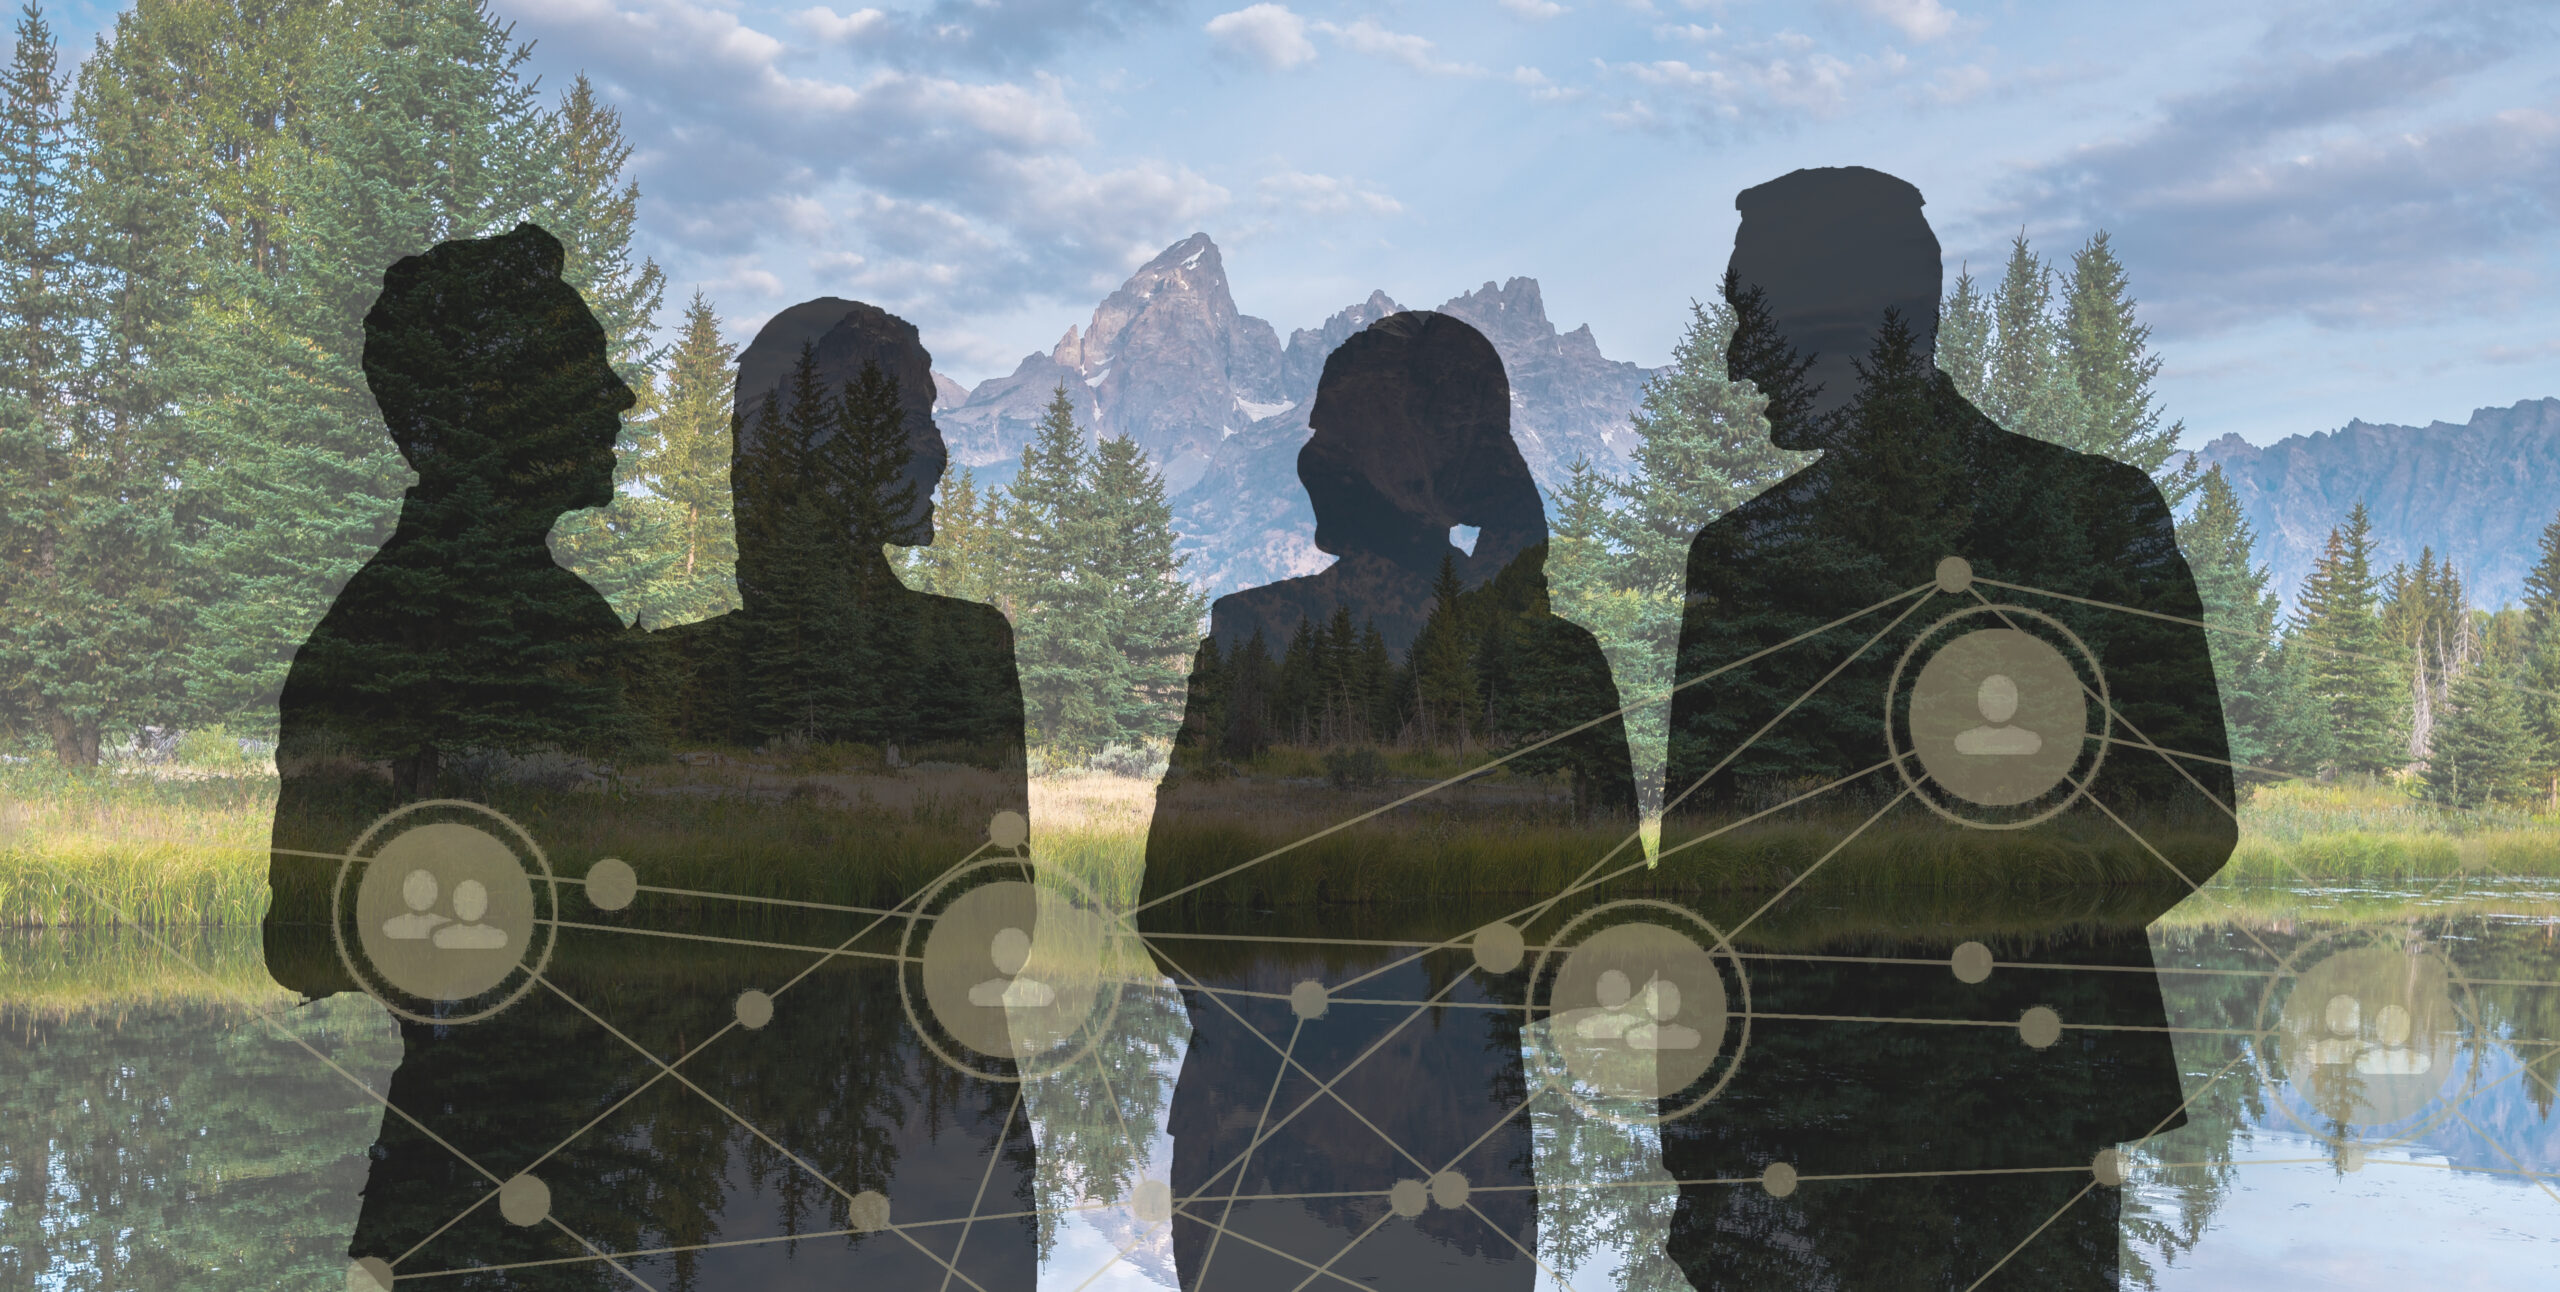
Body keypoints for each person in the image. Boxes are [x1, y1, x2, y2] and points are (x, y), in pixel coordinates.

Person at [1648, 167, 2236, 1289]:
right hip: (1839, 1147)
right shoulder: (1740, 559)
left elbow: (2187, 817)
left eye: (1750, 322)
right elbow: (1703, 885)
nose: (1735, 362)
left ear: (1850, 324)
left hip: (1998, 1138)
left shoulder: (2096, 519)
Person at [1139, 310, 1637, 1290]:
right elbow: (1599, 947)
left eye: (1332, 433)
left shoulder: (1253, 634)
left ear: (1405, 461)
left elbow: (1173, 908)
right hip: (1449, 1164)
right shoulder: (1551, 663)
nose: (1309, 455)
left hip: (1270, 1155)